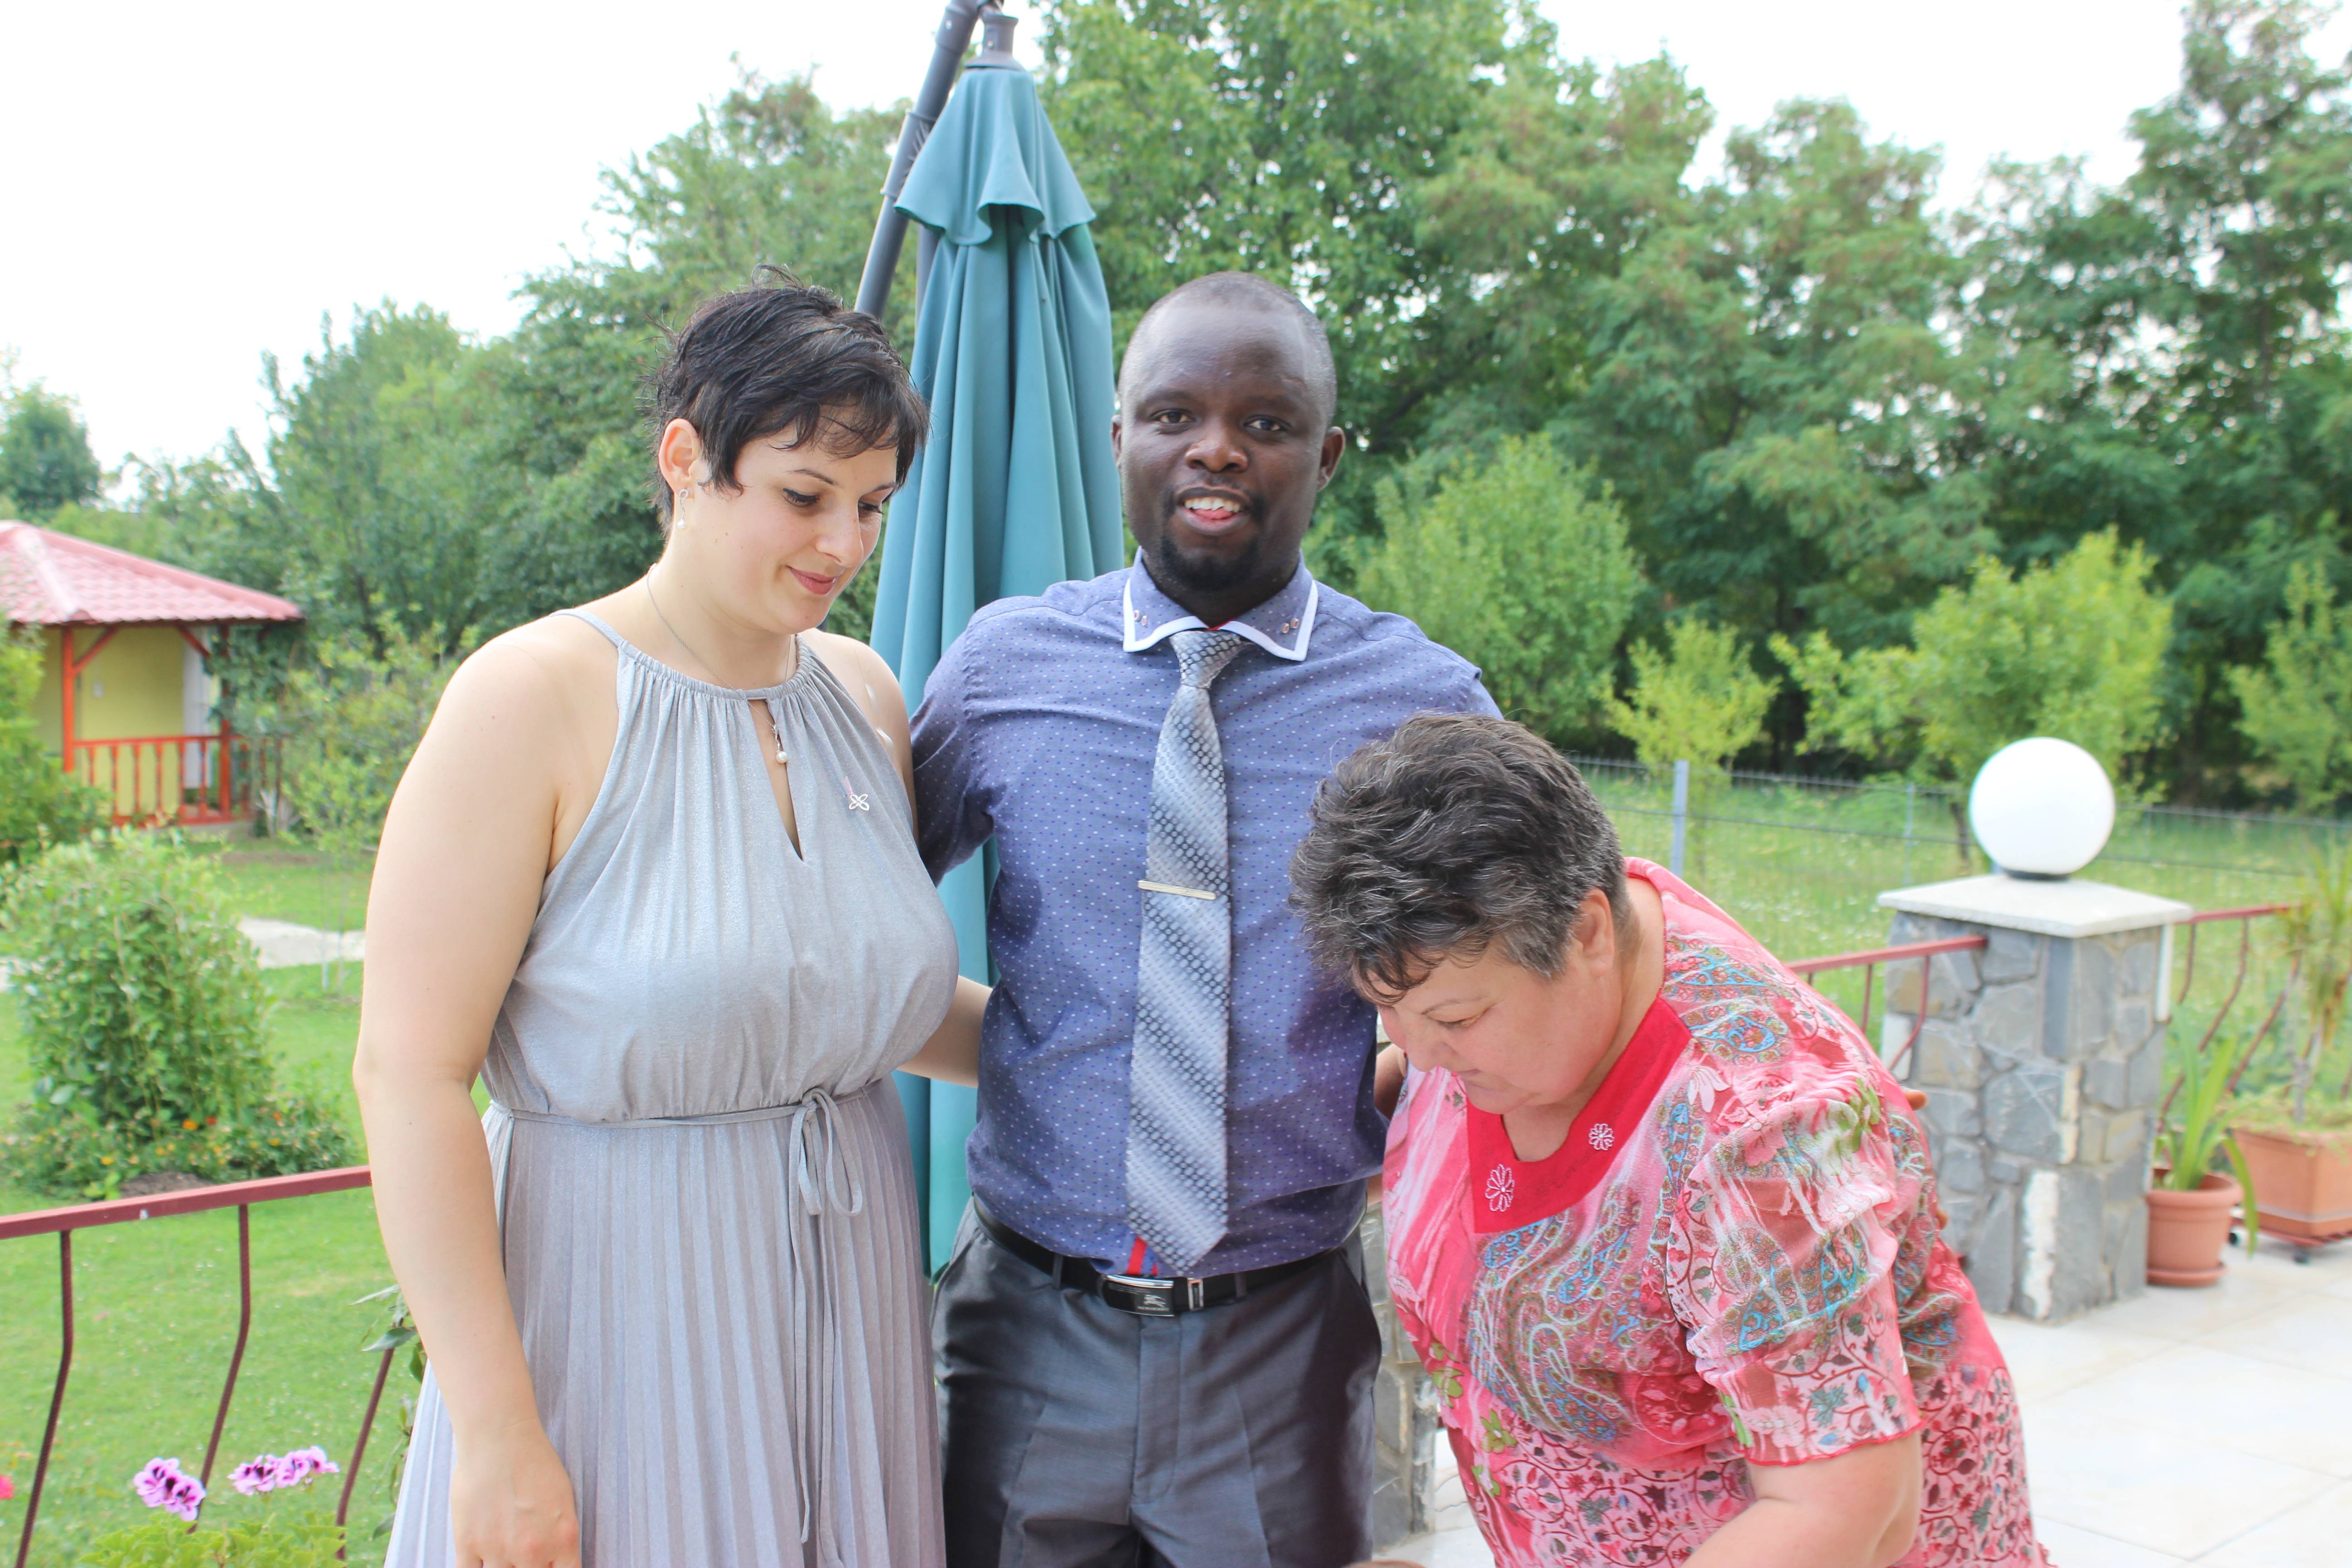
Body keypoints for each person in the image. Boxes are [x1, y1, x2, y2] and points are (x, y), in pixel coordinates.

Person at [354, 278, 986, 1568]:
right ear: (687, 457)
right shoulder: (530, 697)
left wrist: (1154, 1063)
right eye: (805, 494)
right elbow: (407, 1076)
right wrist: (497, 1433)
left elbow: (858, 1004)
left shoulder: (865, 695)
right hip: (615, 1326)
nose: (844, 543)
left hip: (853, 1321)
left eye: (872, 505)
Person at [911, 272, 1500, 1567]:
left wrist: (1373, 1097)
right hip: (1021, 1325)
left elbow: (1520, 987)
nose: (1218, 449)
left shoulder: (1427, 706)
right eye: (1176, 414)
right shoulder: (1002, 668)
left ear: (1327, 456)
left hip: (1282, 1341)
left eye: (1267, 423)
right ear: (1119, 436)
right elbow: (853, 925)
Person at [1289, 714, 2051, 1568]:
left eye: (1456, 1020)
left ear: (1588, 933)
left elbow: (1847, 1514)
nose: (1422, 1055)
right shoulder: (1529, 951)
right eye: (1387, 1011)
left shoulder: (1763, 1141)